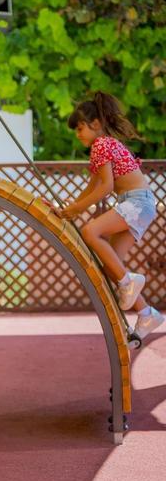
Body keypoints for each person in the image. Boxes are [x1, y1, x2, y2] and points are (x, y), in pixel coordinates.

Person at [55, 92, 161, 344]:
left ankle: (130, 281)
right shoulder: (105, 145)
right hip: (139, 203)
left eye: (80, 128)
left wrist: (76, 211)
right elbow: (94, 186)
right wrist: (68, 209)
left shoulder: (101, 144)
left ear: (96, 125)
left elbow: (105, 187)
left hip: (136, 202)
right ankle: (147, 313)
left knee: (90, 232)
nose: (78, 134)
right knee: (113, 267)